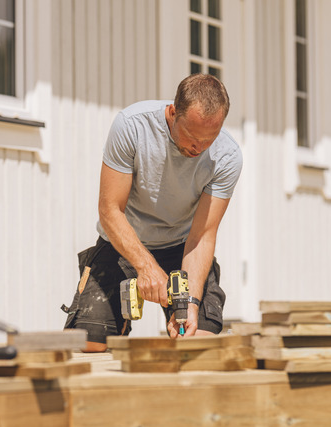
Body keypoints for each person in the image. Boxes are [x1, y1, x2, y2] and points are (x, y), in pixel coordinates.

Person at [62, 73, 242, 352]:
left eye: (210, 139)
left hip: (182, 248)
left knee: (196, 342)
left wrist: (192, 303)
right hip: (122, 244)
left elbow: (203, 236)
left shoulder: (228, 156)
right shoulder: (132, 126)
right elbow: (110, 211)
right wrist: (146, 267)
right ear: (173, 113)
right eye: (192, 136)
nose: (199, 148)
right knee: (89, 343)